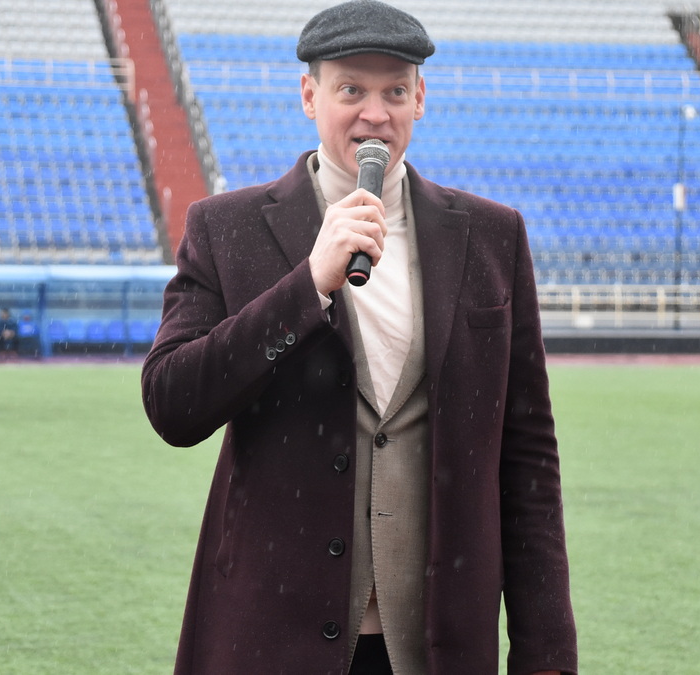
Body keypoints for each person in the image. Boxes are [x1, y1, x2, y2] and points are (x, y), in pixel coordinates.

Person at [141, 2, 578, 674]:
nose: (375, 114)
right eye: (351, 90)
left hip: (436, 645)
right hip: (271, 639)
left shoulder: (493, 237)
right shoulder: (225, 228)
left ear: (420, 99)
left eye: (395, 92)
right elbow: (173, 403)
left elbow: (528, 458)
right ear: (309, 95)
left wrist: (546, 651)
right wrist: (307, 285)